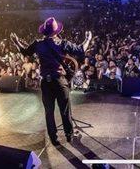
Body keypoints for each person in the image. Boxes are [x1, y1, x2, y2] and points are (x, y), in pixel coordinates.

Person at [10, 17, 92, 147]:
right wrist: (88, 39)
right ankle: (69, 135)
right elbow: (81, 49)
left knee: (49, 112)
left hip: (46, 83)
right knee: (65, 110)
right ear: (56, 31)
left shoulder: (38, 44)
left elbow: (25, 51)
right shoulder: (62, 43)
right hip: (60, 81)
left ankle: (54, 139)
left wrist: (16, 42)